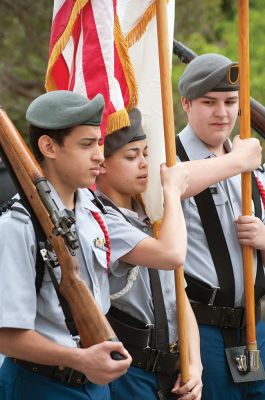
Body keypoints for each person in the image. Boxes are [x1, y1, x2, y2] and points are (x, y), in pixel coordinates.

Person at [0, 90, 132, 400]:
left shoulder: (91, 211)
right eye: (86, 145)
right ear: (48, 146)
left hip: (95, 382)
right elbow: (6, 336)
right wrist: (79, 359)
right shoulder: (18, 226)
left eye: (98, 142)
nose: (99, 154)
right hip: (41, 385)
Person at [96, 108, 203, 400]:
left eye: (145, 153)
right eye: (131, 157)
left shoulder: (149, 213)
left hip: (172, 371)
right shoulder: (101, 219)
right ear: (101, 164)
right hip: (130, 372)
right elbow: (171, 255)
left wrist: (194, 365)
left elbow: (178, 296)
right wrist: (171, 193)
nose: (144, 164)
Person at [176, 53, 265, 400]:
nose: (223, 113)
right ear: (186, 103)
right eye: (209, 102)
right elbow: (172, 185)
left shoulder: (249, 163)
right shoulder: (171, 154)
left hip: (254, 326)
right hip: (204, 329)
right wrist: (236, 161)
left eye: (230, 102)